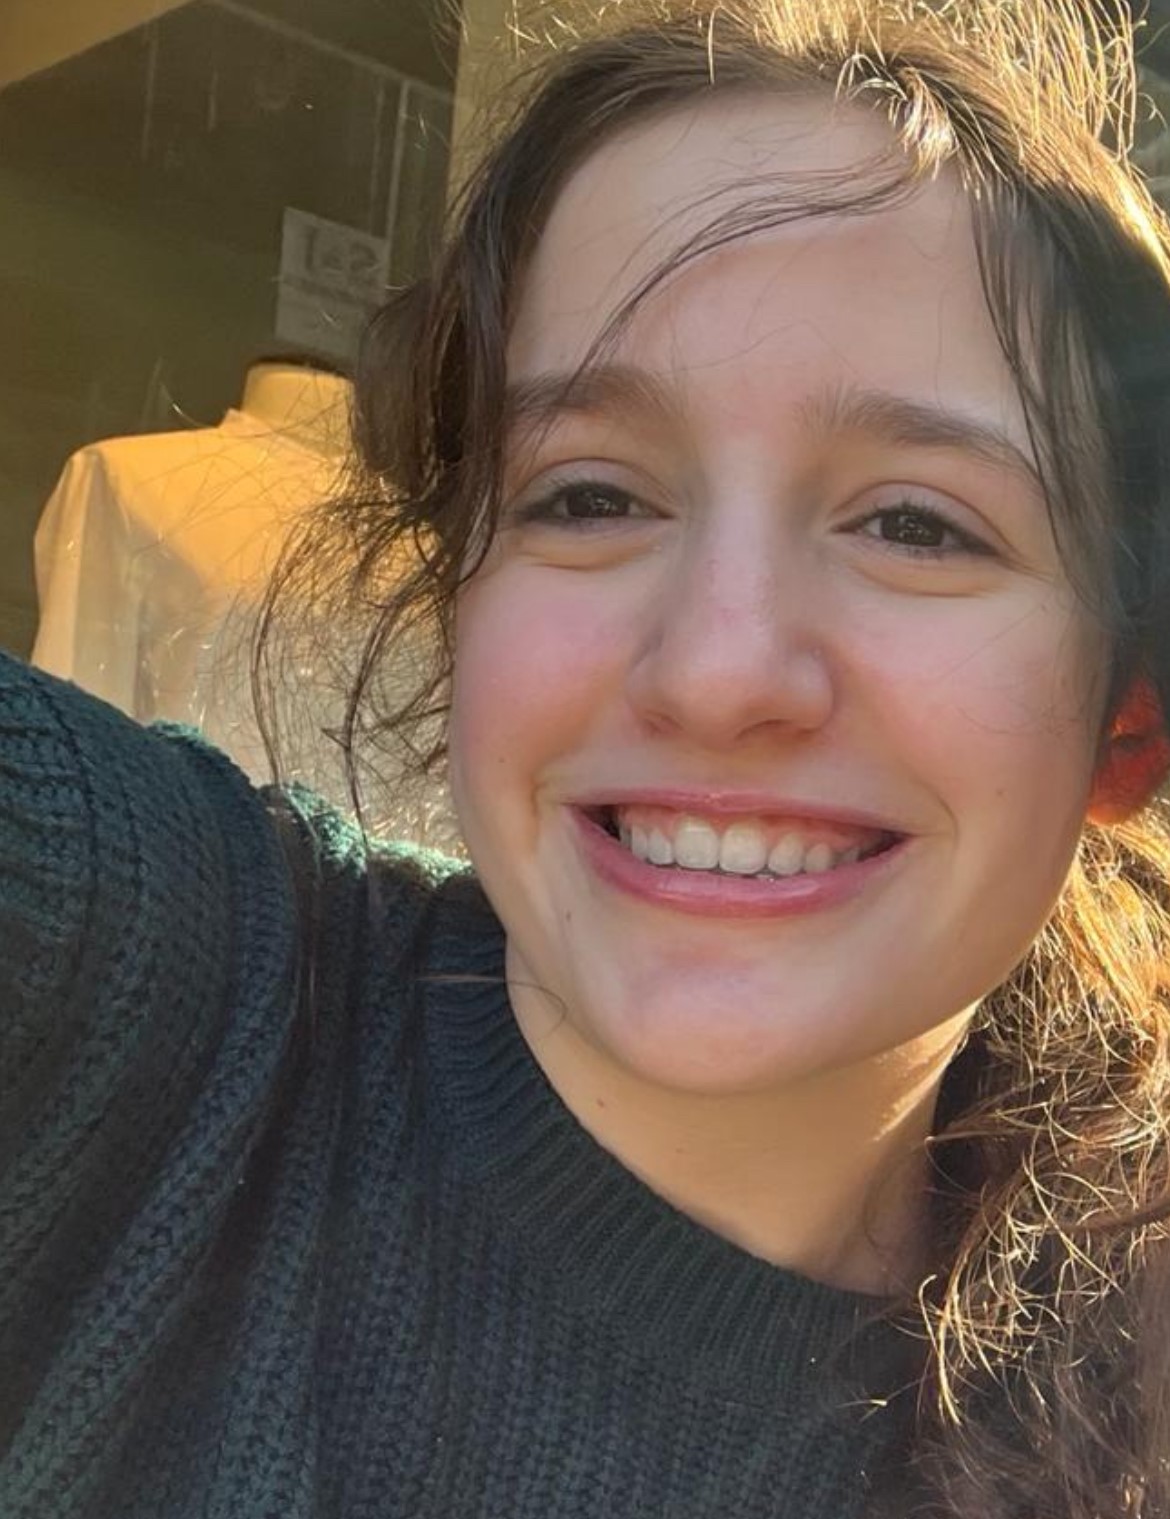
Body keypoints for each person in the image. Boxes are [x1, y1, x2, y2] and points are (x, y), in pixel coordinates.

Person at [4, 0, 1170, 1514]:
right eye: (590, 497)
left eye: (914, 524)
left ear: (1125, 723)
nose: (715, 672)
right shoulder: (146, 973)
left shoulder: (1129, 1370)